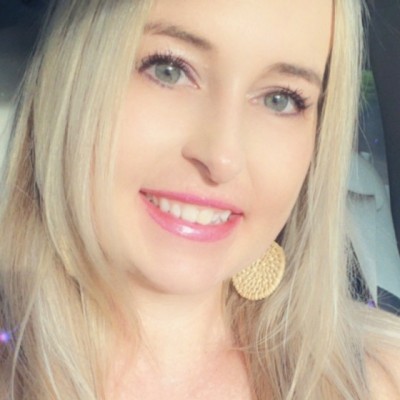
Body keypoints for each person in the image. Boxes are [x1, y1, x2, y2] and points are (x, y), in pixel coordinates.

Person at [0, 0, 399, 399]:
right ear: (71, 81)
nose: (222, 158)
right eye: (168, 70)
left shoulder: (381, 377)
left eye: (281, 98)